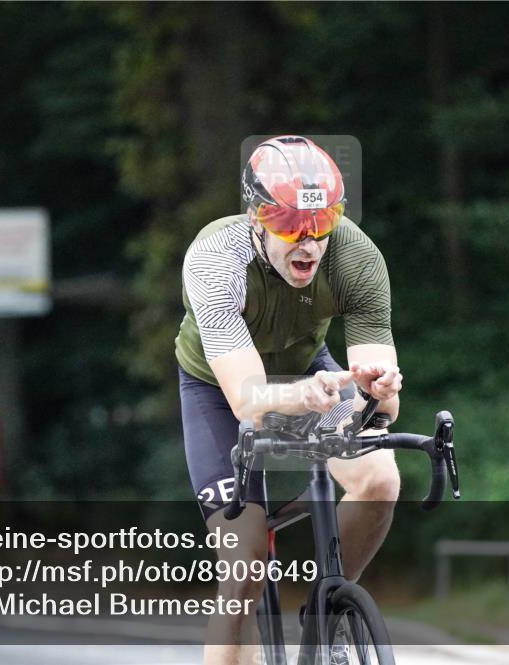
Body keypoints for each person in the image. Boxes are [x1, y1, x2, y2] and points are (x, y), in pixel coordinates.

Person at [175, 135, 403, 665]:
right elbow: (247, 401)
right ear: (256, 219)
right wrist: (300, 398)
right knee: (245, 565)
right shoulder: (216, 259)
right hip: (218, 389)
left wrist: (377, 390)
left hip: (309, 370)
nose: (308, 242)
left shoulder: (355, 256)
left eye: (321, 225)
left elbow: (381, 405)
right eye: (290, 226)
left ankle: (329, 612)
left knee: (379, 478)